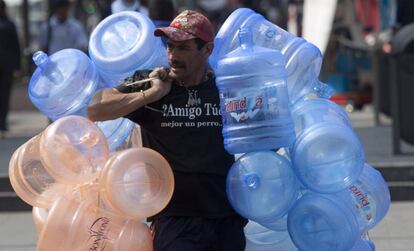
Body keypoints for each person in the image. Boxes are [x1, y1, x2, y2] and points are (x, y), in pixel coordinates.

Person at [88, 10, 247, 251]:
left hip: (226, 216)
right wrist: (150, 94)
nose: (173, 55)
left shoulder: (225, 88)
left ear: (207, 50)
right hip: (174, 218)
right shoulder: (153, 81)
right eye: (170, 47)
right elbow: (96, 108)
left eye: (183, 48)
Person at [0, 0, 20, 135]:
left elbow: (16, 45)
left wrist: (17, 65)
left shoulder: (9, 24)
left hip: (6, 65)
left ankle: (3, 122)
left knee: (5, 94)